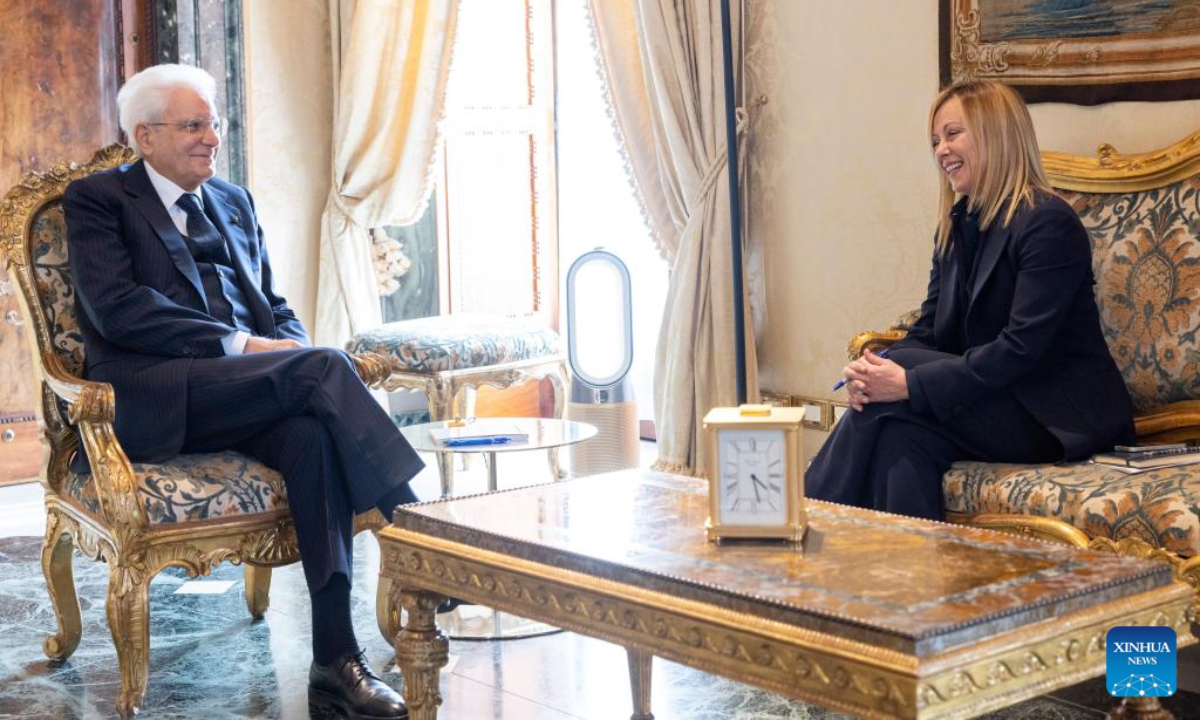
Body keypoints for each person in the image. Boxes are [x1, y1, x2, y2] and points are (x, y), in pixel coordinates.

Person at [64, 64, 422, 719]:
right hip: (160, 397)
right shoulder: (98, 201)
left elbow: (275, 309)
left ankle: (336, 663)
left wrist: (283, 344)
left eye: (215, 123)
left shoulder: (233, 200)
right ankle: (419, 534)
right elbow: (119, 310)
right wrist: (252, 349)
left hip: (247, 392)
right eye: (193, 125)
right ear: (145, 136)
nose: (212, 138)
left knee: (313, 434)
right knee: (320, 369)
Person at [804, 80, 1135, 521]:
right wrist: (877, 363)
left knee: (885, 410)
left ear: (996, 133)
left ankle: (802, 530)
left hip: (1050, 414)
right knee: (898, 436)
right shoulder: (957, 224)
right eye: (936, 140)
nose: (941, 150)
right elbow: (929, 330)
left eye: (953, 133)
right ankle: (907, 584)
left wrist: (906, 384)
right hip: (987, 400)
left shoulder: (1048, 223)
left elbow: (1020, 349)